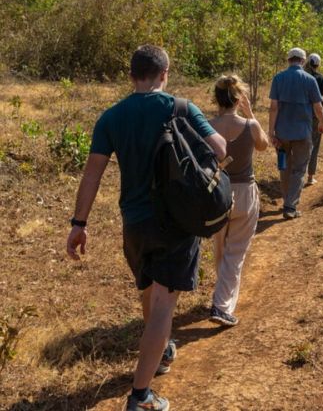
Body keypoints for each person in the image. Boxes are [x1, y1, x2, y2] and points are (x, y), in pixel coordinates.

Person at [66, 45, 227, 411]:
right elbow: (219, 148)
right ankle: (140, 396)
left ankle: (163, 350)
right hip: (175, 222)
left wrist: (79, 224)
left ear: (131, 75)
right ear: (165, 73)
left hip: (134, 223)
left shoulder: (111, 117)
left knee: (149, 290)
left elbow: (92, 174)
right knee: (163, 307)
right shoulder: (181, 107)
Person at [207, 75, 269, 327]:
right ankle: (221, 305)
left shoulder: (208, 125)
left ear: (217, 99)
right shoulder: (250, 126)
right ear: (237, 98)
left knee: (220, 248)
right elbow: (263, 146)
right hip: (244, 192)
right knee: (235, 253)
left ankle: (222, 297)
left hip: (216, 192)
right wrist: (251, 114)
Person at [269, 47, 323, 219]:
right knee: (300, 170)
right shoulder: (309, 80)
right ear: (302, 61)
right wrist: (322, 123)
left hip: (282, 133)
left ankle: (287, 200)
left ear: (288, 60)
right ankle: (290, 206)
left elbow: (273, 107)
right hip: (302, 133)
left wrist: (271, 131)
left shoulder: (278, 78)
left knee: (285, 167)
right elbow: (317, 106)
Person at [302, 52, 323, 187]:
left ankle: (297, 175)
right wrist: (322, 103)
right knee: (314, 145)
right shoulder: (320, 78)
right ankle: (310, 177)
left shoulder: (302, 77)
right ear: (318, 64)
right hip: (316, 115)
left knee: (300, 143)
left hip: (301, 113)